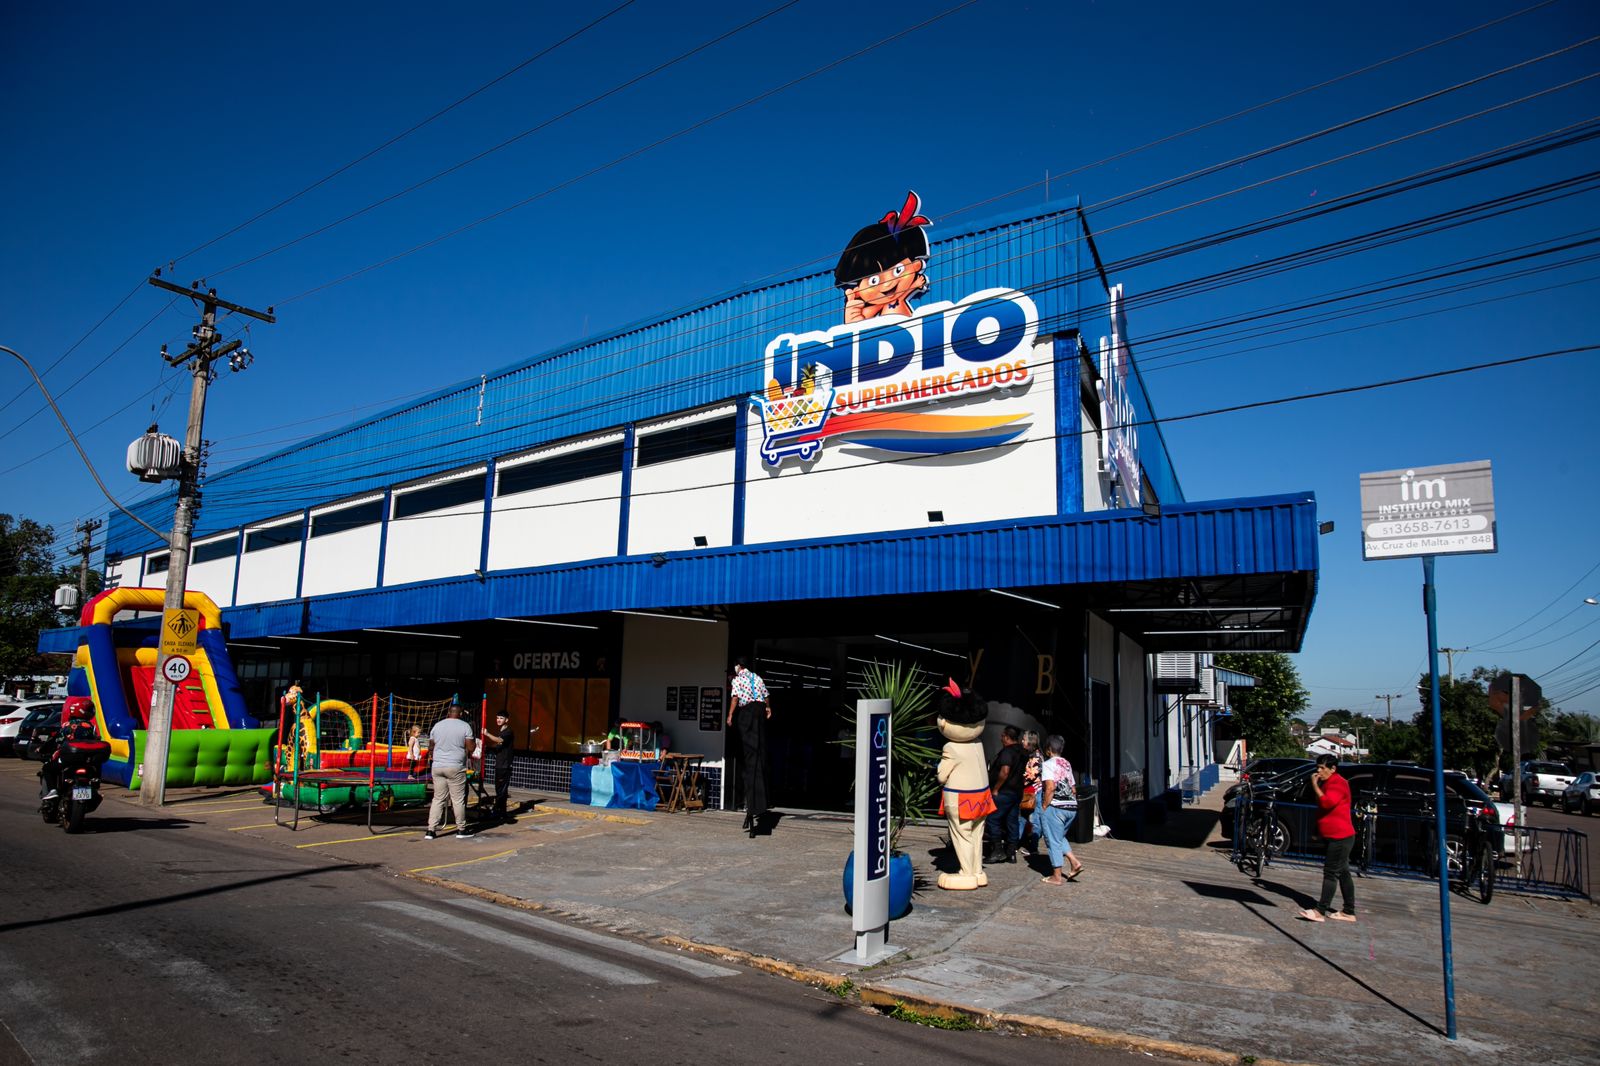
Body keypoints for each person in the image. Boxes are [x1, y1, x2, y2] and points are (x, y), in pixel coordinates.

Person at [833, 190, 932, 323]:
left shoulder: (897, 298)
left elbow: (903, 294)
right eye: (873, 280)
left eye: (898, 270)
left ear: (916, 266)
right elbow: (869, 313)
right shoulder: (878, 305)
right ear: (857, 290)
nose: (887, 284)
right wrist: (853, 321)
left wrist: (915, 285)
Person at [1298, 754, 1357, 922]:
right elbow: (1322, 808)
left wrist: (1314, 785)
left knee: (1331, 873)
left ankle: (1320, 910)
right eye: (1317, 767)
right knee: (1343, 872)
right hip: (1334, 835)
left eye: (1322, 768)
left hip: (1340, 837)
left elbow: (1327, 803)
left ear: (1333, 769)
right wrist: (1317, 829)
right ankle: (1349, 911)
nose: (1319, 771)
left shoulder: (1338, 783)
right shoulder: (1328, 783)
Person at [726, 658, 771, 838]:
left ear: (739, 666)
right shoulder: (757, 678)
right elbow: (766, 695)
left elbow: (735, 698)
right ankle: (757, 804)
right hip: (759, 712)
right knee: (758, 754)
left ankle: (752, 806)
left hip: (747, 713)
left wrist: (730, 715)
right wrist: (768, 708)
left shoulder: (737, 679)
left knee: (749, 756)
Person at [1037, 734, 1084, 885]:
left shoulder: (1047, 764)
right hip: (1071, 807)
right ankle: (1074, 862)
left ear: (1048, 750)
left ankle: (1056, 876)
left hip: (1055, 807)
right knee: (1059, 837)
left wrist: (1044, 806)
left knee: (1053, 840)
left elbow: (1050, 787)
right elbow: (1073, 788)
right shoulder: (1067, 763)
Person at [424, 705, 476, 840]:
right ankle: (461, 829)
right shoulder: (465, 726)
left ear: (449, 712)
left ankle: (430, 830)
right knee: (457, 800)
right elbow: (471, 747)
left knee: (438, 799)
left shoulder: (437, 726)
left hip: (438, 766)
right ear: (460, 714)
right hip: (455, 767)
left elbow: (431, 746)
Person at [40, 703, 100, 801]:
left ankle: (53, 790)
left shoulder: (67, 725)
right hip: (85, 759)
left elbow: (56, 740)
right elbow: (96, 740)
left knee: (47, 768)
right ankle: (94, 787)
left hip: (67, 758)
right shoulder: (91, 727)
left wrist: (42, 749)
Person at [984, 725, 1026, 864]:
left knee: (992, 819)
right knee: (1011, 821)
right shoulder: (1022, 751)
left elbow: (1005, 771)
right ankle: (1011, 852)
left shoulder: (1007, 752)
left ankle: (997, 850)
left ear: (1007, 737)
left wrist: (996, 788)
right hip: (1016, 792)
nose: (1001, 738)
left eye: (1002, 736)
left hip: (1004, 792)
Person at [479, 710, 515, 822]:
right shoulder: (501, 731)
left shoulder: (508, 732)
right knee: (500, 790)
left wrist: (487, 734)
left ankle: (496, 811)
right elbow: (498, 744)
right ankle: (502, 812)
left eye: (501, 718)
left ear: (506, 720)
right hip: (500, 764)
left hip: (504, 765)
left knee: (501, 790)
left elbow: (499, 740)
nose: (499, 720)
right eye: (497, 718)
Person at [1019, 730, 1042, 852]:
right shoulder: (1028, 755)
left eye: (1024, 739)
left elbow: (1031, 776)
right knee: (1022, 818)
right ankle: (1016, 843)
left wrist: (1017, 780)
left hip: (1034, 792)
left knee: (1034, 820)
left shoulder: (1036, 757)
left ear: (1030, 742)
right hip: (1027, 791)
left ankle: (1033, 847)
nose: (1022, 741)